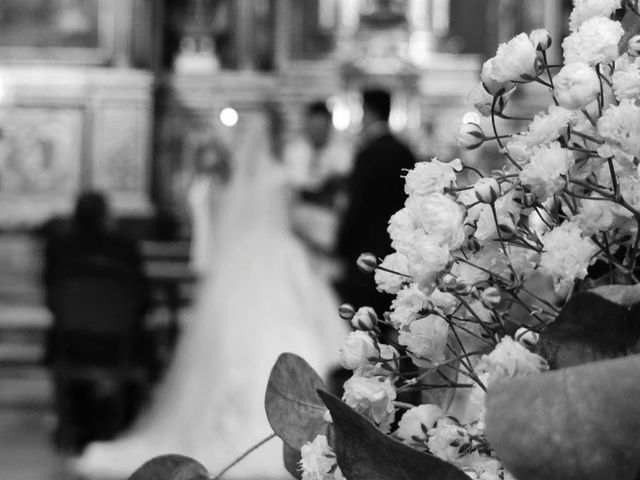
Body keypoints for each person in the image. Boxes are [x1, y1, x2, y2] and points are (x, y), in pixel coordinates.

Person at [74, 109, 347, 479]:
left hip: (245, 262)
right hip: (283, 256)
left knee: (237, 341)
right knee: (301, 331)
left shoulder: (242, 182)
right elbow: (293, 221)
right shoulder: (281, 177)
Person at [43, 191, 149, 450]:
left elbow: (51, 298)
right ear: (105, 216)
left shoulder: (59, 247)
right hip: (119, 343)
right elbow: (142, 301)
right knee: (145, 342)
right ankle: (124, 418)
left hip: (71, 341)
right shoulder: (125, 248)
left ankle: (74, 420)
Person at [336, 88, 416, 315]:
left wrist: (341, 245)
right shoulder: (404, 151)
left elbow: (357, 205)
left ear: (368, 112)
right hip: (396, 250)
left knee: (364, 316)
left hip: (365, 250)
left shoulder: (369, 154)